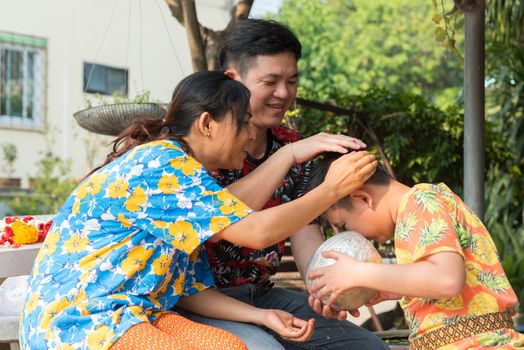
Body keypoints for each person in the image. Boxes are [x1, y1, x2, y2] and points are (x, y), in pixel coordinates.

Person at [19, 71, 377, 350]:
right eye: (242, 123)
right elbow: (256, 231)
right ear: (207, 124)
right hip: (81, 322)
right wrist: (332, 189)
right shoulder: (163, 164)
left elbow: (190, 289)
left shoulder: (191, 181)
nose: (249, 137)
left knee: (230, 346)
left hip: (134, 315)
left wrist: (263, 316)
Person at [176, 19, 389, 350]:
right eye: (270, 81)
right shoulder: (193, 148)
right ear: (233, 80)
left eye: (291, 81)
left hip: (263, 297)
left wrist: (324, 288)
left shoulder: (292, 143)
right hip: (198, 305)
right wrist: (289, 157)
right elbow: (224, 216)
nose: (284, 93)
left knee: (367, 347)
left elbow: (304, 231)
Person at [306, 156, 524, 349]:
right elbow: (444, 285)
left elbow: (446, 279)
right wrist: (390, 287)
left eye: (343, 224)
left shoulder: (420, 200)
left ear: (363, 198)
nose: (349, 232)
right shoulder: (413, 215)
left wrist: (359, 272)